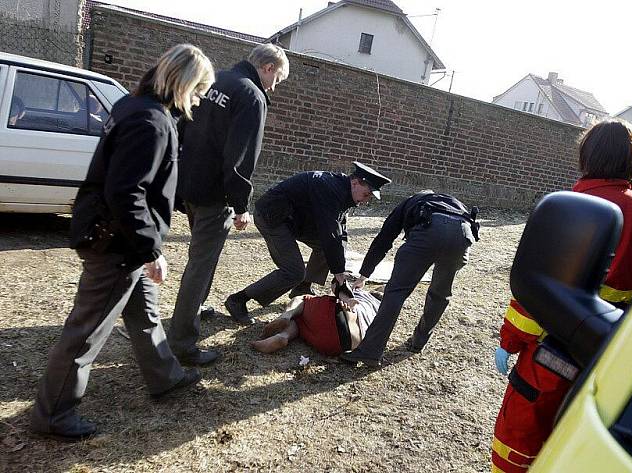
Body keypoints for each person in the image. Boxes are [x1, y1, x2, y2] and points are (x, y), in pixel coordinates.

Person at [29, 44, 215, 442]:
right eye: (198, 90)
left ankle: (165, 377)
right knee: (86, 331)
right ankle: (53, 413)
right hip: (116, 245)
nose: (198, 100)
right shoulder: (150, 121)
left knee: (144, 314)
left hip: (118, 238)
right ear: (184, 83)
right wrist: (151, 248)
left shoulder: (135, 108)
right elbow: (125, 192)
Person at [490, 118, 632, 473]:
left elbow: (538, 290)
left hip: (553, 352)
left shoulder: (574, 206)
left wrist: (509, 340)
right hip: (610, 356)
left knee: (519, 441)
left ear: (589, 156)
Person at [167, 43, 289, 366]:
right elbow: (240, 157)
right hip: (214, 194)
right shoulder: (252, 97)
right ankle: (182, 343)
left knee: (202, 256)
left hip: (189, 185)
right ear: (267, 68)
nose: (275, 86)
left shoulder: (215, 79)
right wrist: (240, 205)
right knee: (200, 264)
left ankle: (195, 309)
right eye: (278, 78)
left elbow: (182, 124)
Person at [225, 162, 391, 322]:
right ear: (355, 183)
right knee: (294, 271)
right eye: (367, 194)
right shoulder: (330, 188)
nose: (366, 200)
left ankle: (302, 287)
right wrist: (339, 276)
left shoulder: (344, 192)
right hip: (272, 217)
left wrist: (339, 276)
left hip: (295, 220)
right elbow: (330, 231)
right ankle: (238, 300)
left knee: (329, 249)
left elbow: (340, 234)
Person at [339, 191, 479, 367]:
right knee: (440, 294)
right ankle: (418, 342)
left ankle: (370, 351)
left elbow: (383, 240)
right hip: (463, 235)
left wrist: (364, 275)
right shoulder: (453, 202)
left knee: (396, 292)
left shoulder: (409, 203)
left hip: (429, 231)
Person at [250, 282, 381, 357]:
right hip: (341, 346)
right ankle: (282, 336)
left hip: (339, 316)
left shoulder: (361, 293)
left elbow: (336, 285)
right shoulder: (382, 312)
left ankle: (285, 319)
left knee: (302, 300)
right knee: (303, 322)